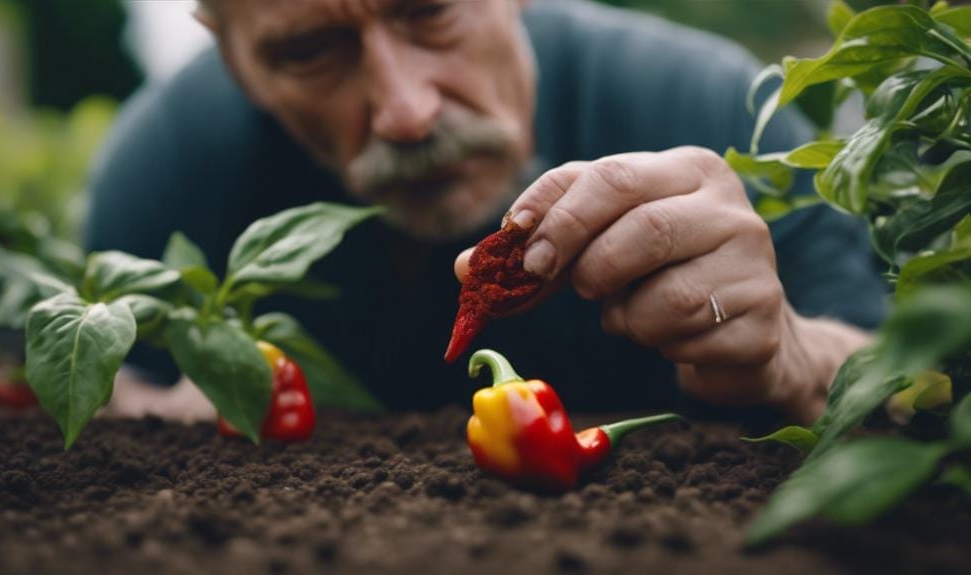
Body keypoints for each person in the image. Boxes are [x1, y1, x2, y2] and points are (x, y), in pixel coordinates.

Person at [87, 0, 885, 425]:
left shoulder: (708, 103)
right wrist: (156, 410)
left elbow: (899, 375)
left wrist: (791, 352)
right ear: (234, 61)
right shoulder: (174, 159)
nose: (406, 111)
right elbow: (99, 385)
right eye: (308, 51)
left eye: (429, 11)